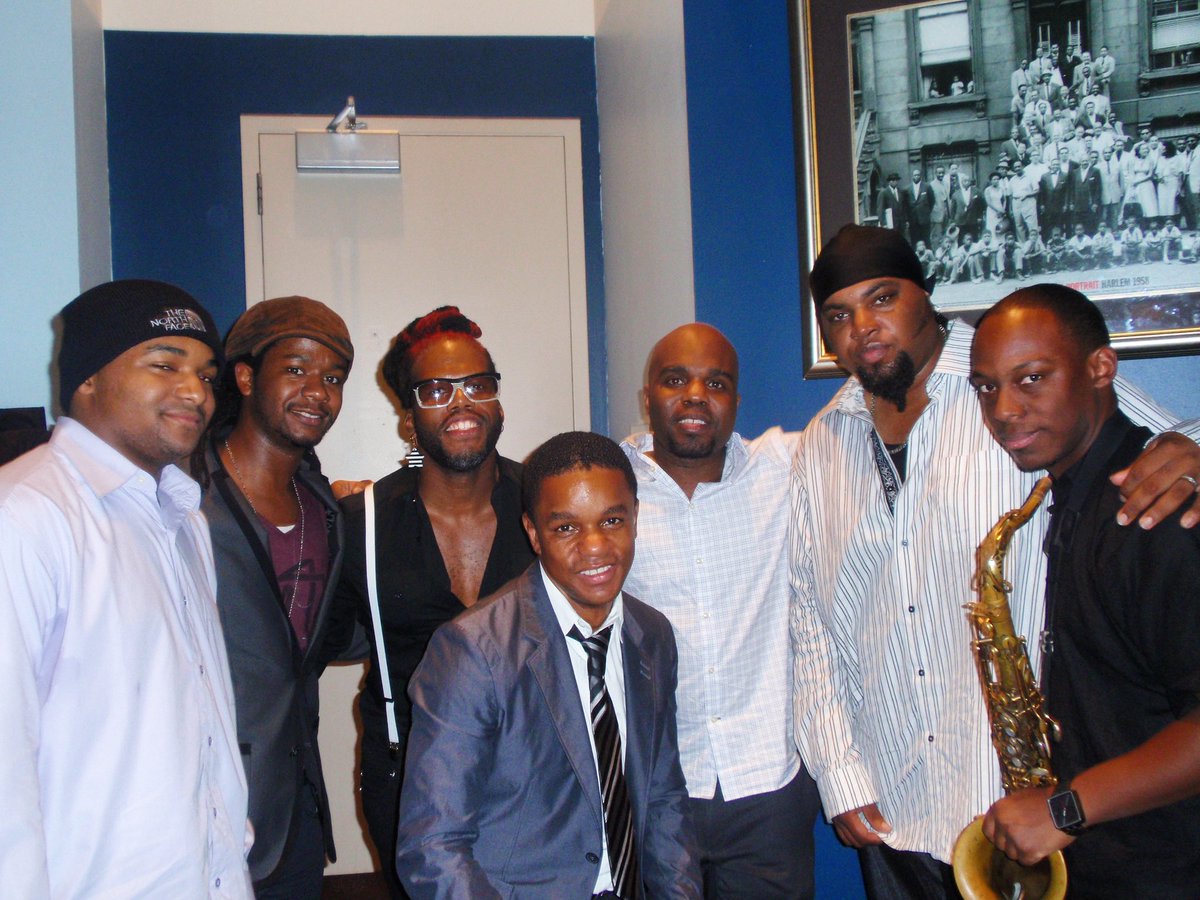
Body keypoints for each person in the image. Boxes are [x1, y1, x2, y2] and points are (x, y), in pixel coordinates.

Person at [791, 225, 1200, 899]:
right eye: (838, 315)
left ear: (925, 296)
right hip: (890, 808)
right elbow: (809, 621)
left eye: (882, 298)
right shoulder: (819, 445)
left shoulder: (1007, 385)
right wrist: (838, 772)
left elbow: (1154, 432)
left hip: (1021, 805)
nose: (863, 326)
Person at [0, 280, 253, 897]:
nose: (195, 391)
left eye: (205, 373)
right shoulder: (26, 513)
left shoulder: (183, 519)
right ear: (87, 378)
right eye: (164, 364)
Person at [395, 431, 703, 899]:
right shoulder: (473, 652)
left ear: (636, 518)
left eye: (612, 520)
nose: (595, 547)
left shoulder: (653, 635)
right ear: (534, 533)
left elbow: (663, 800)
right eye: (566, 528)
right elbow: (433, 847)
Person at [971, 285, 1200, 898]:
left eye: (1032, 378)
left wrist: (1065, 809)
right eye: (987, 386)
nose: (1003, 411)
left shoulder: (1158, 512)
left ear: (1101, 368)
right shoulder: (1073, 499)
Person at [323, 306, 534, 895]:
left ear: (497, 401)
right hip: (408, 772)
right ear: (409, 419)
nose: (461, 402)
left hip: (535, 773)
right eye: (436, 390)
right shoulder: (361, 521)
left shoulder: (543, 504)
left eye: (477, 385)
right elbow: (324, 640)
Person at [621, 324, 821, 898]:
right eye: (675, 379)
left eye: (716, 382)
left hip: (767, 786)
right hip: (653, 785)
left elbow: (866, 419)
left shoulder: (784, 467)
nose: (694, 395)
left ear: (736, 401)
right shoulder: (607, 486)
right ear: (648, 397)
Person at [195, 296, 354, 897]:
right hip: (203, 803)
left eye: (333, 378)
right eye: (295, 369)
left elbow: (317, 637)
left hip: (296, 808)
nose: (317, 391)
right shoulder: (186, 497)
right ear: (244, 376)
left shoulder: (325, 509)